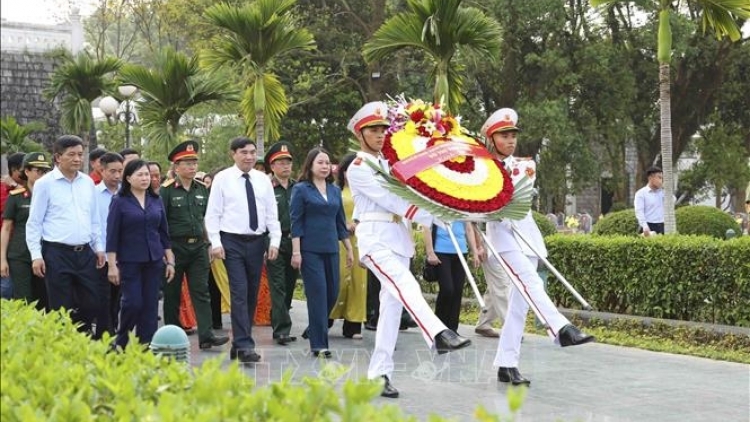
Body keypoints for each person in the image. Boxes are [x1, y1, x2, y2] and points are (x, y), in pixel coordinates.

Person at [346, 102, 471, 399]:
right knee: (406, 284)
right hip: (375, 236)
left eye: (382, 130)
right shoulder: (359, 166)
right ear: (360, 135)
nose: (379, 135)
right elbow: (392, 200)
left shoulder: (391, 163)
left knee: (391, 307)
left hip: (399, 237)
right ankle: (438, 334)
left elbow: (415, 189)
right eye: (372, 130)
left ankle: (379, 374)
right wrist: (431, 214)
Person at [480, 108, 595, 386]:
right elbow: (483, 207)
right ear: (491, 138)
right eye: (503, 136)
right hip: (502, 236)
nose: (510, 141)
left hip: (526, 234)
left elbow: (511, 198)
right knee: (531, 282)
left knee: (520, 306)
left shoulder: (524, 165)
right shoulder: (479, 169)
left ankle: (507, 364)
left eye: (512, 136)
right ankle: (560, 327)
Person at [205, 137, 281, 363]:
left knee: (251, 294)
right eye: (243, 152)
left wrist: (274, 240)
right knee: (239, 291)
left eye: (252, 152)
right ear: (233, 154)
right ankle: (246, 345)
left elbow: (271, 212)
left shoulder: (262, 180)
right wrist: (215, 242)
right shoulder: (222, 179)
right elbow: (213, 213)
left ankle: (239, 342)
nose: (249, 157)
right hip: (232, 242)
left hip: (257, 242)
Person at [26, 135, 106, 332]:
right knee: (61, 306)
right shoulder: (45, 184)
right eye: (71, 155)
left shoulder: (87, 183)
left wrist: (99, 247)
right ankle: (65, 343)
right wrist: (36, 256)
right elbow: (34, 223)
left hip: (85, 253)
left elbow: (94, 219)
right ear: (58, 157)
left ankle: (82, 335)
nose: (77, 159)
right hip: (56, 253)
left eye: (80, 154)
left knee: (91, 302)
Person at [161, 140, 229, 350]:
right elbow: (160, 223)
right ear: (176, 166)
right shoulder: (167, 191)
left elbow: (207, 218)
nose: (192, 167)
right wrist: (166, 252)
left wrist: (209, 243)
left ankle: (206, 335)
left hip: (198, 247)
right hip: (175, 247)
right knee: (172, 294)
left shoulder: (201, 189)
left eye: (194, 162)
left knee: (201, 291)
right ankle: (171, 336)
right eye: (187, 163)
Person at [290, 147, 353, 357]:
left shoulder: (334, 190)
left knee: (332, 294)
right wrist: (296, 252)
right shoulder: (301, 189)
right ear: (310, 165)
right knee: (318, 295)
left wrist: (349, 248)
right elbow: (296, 222)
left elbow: (340, 222)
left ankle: (314, 328)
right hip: (310, 251)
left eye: (327, 163)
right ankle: (319, 344)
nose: (325, 166)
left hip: (331, 249)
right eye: (320, 162)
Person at [107, 159, 175, 349]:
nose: (145, 178)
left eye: (147, 174)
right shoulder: (119, 202)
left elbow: (163, 233)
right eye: (140, 175)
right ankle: (121, 341)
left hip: (154, 261)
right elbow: (112, 235)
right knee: (133, 303)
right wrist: (112, 265)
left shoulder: (156, 200)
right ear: (128, 178)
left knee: (150, 307)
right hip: (130, 261)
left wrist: (170, 261)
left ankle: (147, 346)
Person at [1, 152, 51, 309]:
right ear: (27, 171)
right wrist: (2, 259)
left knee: (45, 298)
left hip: (46, 253)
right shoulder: (16, 196)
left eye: (44, 172)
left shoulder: (51, 195)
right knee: (23, 299)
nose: (42, 175)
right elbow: (6, 228)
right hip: (20, 254)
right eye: (38, 170)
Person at [329, 153, 368, 339]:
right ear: (343, 172)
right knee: (338, 279)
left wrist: (359, 225)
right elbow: (330, 215)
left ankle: (353, 325)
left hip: (360, 242)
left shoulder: (366, 193)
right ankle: (327, 317)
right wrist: (343, 225)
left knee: (358, 282)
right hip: (339, 241)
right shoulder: (334, 191)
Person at [264, 141, 299, 345]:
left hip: (294, 243)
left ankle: (277, 317)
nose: (286, 166)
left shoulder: (299, 187)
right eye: (281, 162)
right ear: (272, 166)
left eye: (288, 162)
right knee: (278, 286)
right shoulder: (267, 188)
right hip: (273, 243)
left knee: (289, 285)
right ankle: (281, 330)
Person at [423, 221, 480, 332]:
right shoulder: (437, 205)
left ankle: (453, 329)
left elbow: (468, 228)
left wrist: (474, 252)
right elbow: (426, 226)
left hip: (461, 251)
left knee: (458, 290)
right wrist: (430, 252)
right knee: (447, 289)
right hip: (441, 251)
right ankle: (439, 328)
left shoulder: (463, 205)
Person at [93, 152, 124, 339]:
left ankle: (114, 336)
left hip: (124, 255)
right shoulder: (93, 194)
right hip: (100, 255)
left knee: (118, 301)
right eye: (112, 171)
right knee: (102, 300)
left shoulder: (127, 194)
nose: (117, 176)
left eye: (120, 171)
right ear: (101, 170)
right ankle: (105, 337)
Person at [0, 152, 26, 299]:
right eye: (25, 169)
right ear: (15, 170)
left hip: (21, 250)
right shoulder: (3, 190)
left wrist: (16, 186)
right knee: (6, 288)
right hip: (5, 245)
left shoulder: (34, 189)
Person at [634, 166, 665, 236]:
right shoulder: (641, 193)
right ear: (651, 178)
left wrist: (665, 188)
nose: (661, 180)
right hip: (648, 226)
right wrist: (645, 226)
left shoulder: (663, 192)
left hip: (662, 226)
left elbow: (673, 201)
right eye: (659, 178)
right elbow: (639, 211)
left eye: (662, 178)